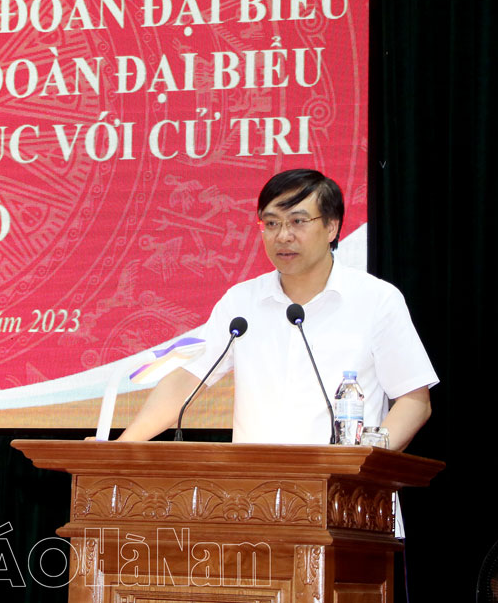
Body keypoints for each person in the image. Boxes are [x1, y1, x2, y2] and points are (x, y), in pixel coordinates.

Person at [118, 169, 437, 451]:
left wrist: (367, 465)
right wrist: (122, 448)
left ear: (331, 227)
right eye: (271, 223)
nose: (283, 235)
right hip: (257, 491)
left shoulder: (376, 300)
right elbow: (188, 380)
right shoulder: (240, 303)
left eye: (298, 221)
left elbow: (414, 400)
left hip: (346, 491)